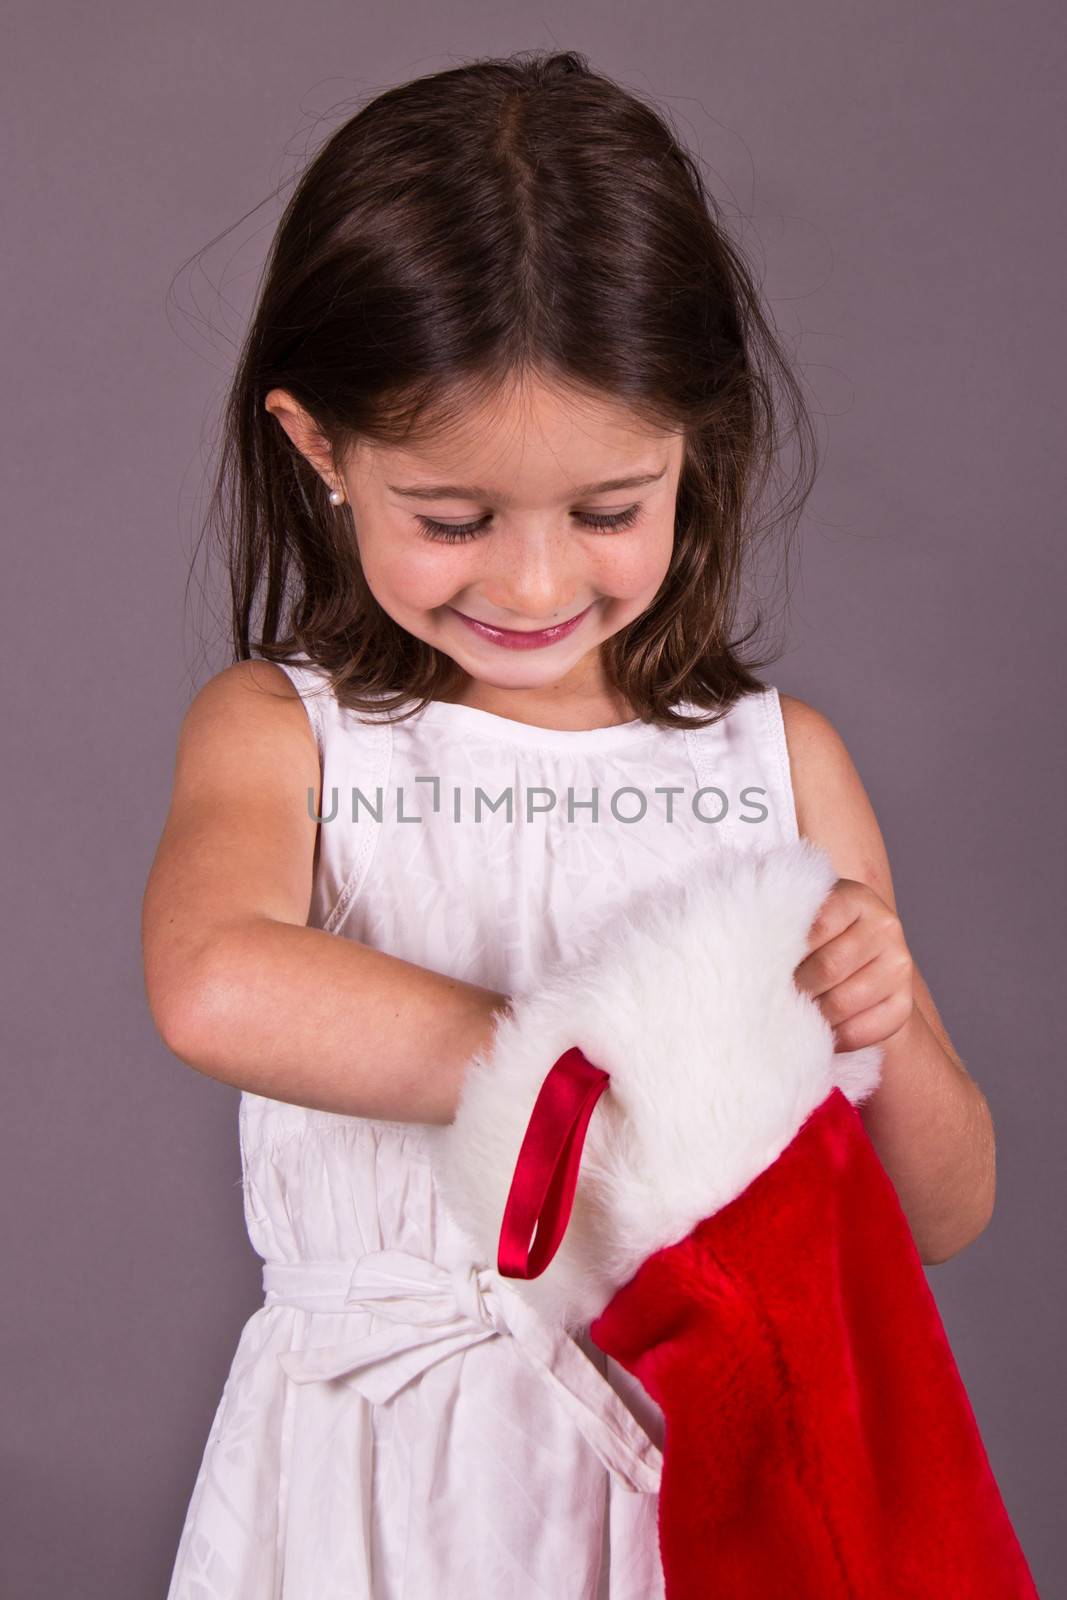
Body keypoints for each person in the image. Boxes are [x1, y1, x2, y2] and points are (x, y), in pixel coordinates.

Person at [143, 47, 996, 1599]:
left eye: (610, 510)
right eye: (454, 519)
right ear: (321, 449)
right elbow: (215, 978)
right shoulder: (288, 736)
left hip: (686, 1477)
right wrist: (612, 1093)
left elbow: (941, 1213)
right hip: (376, 1485)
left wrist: (892, 1028)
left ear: (695, 447)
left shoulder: (777, 765)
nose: (534, 587)